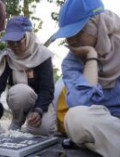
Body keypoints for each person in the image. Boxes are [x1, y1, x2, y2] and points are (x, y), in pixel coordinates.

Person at [52, 0, 120, 156]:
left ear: (97, 24)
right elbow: (80, 104)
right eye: (68, 34)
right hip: (100, 126)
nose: (72, 39)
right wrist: (91, 57)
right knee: (75, 118)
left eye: (78, 31)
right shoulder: (71, 62)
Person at [0, 16, 57, 135]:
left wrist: (38, 111)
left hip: (41, 102)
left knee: (43, 130)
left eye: (18, 41)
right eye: (10, 42)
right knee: (20, 91)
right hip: (20, 99)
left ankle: (32, 119)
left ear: (28, 36)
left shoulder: (43, 55)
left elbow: (47, 89)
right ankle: (17, 121)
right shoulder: (7, 57)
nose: (14, 46)